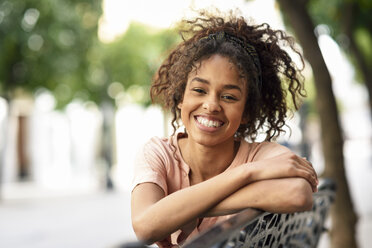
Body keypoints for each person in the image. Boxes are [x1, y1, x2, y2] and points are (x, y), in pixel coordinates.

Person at [130, 10, 318, 248]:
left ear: (247, 112)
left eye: (229, 96)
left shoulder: (260, 155)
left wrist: (180, 211)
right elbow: (144, 227)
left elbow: (298, 193)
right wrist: (246, 174)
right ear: (180, 98)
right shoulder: (158, 153)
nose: (211, 105)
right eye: (199, 90)